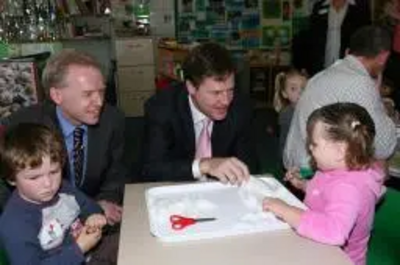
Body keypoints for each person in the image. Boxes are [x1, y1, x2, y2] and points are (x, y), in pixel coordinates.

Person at [2, 49, 126, 226]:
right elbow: (6, 189)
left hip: (96, 217)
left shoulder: (113, 119)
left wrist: (105, 201)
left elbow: (117, 170)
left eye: (101, 92)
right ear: (57, 95)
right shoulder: (20, 127)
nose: (99, 102)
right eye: (88, 94)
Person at [264, 102, 385, 265]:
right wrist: (304, 185)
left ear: (339, 151)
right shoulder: (338, 170)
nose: (310, 148)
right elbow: (328, 195)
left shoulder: (348, 188)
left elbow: (334, 231)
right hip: (316, 249)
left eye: (314, 144)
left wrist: (286, 211)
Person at [0, 123, 118, 264]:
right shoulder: (14, 224)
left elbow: (90, 207)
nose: (48, 184)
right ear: (11, 179)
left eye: (54, 172)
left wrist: (94, 217)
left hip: (93, 253)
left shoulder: (63, 188)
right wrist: (78, 249)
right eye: (34, 177)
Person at [284, 25, 397, 170]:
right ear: (383, 57)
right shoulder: (360, 82)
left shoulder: (324, 74)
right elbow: (384, 147)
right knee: (378, 166)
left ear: (349, 51)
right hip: (312, 172)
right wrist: (378, 97)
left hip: (298, 162)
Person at [141, 42, 256, 184]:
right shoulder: (161, 108)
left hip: (221, 190)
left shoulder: (241, 107)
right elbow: (151, 169)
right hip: (177, 189)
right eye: (216, 92)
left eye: (230, 90)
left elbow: (249, 165)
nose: (226, 101)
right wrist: (204, 165)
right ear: (191, 87)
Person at [292, 0, 371, 76]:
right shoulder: (319, 6)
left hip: (349, 70)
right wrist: (304, 67)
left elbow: (365, 41)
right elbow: (311, 40)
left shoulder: (361, 7)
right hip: (321, 70)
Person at [273, 68, 308, 155]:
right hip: (291, 154)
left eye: (303, 88)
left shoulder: (310, 108)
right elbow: (284, 142)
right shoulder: (286, 114)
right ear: (284, 94)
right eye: (293, 89)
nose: (300, 92)